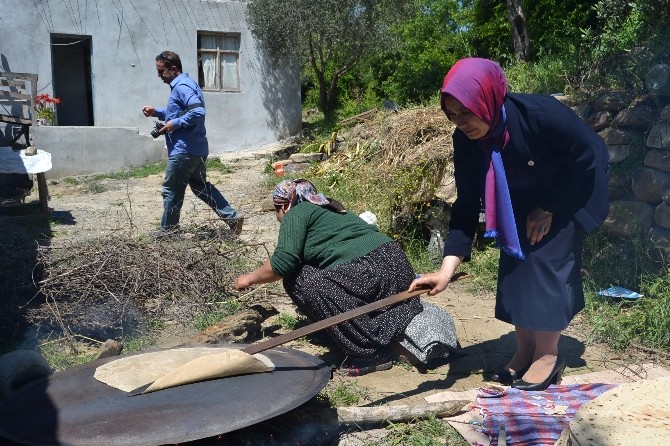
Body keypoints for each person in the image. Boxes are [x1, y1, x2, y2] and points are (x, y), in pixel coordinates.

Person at [410, 58, 609, 391]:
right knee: (515, 260)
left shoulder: (541, 115)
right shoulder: (466, 140)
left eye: (466, 112)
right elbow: (467, 202)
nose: (460, 123)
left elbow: (585, 158)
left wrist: (549, 208)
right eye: (452, 115)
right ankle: (525, 349)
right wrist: (446, 270)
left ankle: (548, 354)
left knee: (547, 260)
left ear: (486, 100)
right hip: (521, 192)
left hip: (571, 186)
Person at [234, 179, 460, 376]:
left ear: (283, 205)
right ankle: (344, 333)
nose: (278, 216)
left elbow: (283, 263)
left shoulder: (297, 212)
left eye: (276, 210)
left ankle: (369, 354)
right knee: (313, 273)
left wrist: (249, 279)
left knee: (299, 280)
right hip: (397, 266)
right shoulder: (331, 209)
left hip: (368, 270)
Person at [142, 50, 243, 237]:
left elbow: (198, 112)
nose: (159, 76)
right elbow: (182, 112)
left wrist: (173, 124)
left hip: (184, 151)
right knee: (201, 187)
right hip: (197, 149)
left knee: (172, 190)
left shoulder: (181, 87)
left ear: (173, 69)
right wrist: (157, 112)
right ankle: (232, 218)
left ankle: (168, 232)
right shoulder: (187, 84)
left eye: (161, 71)